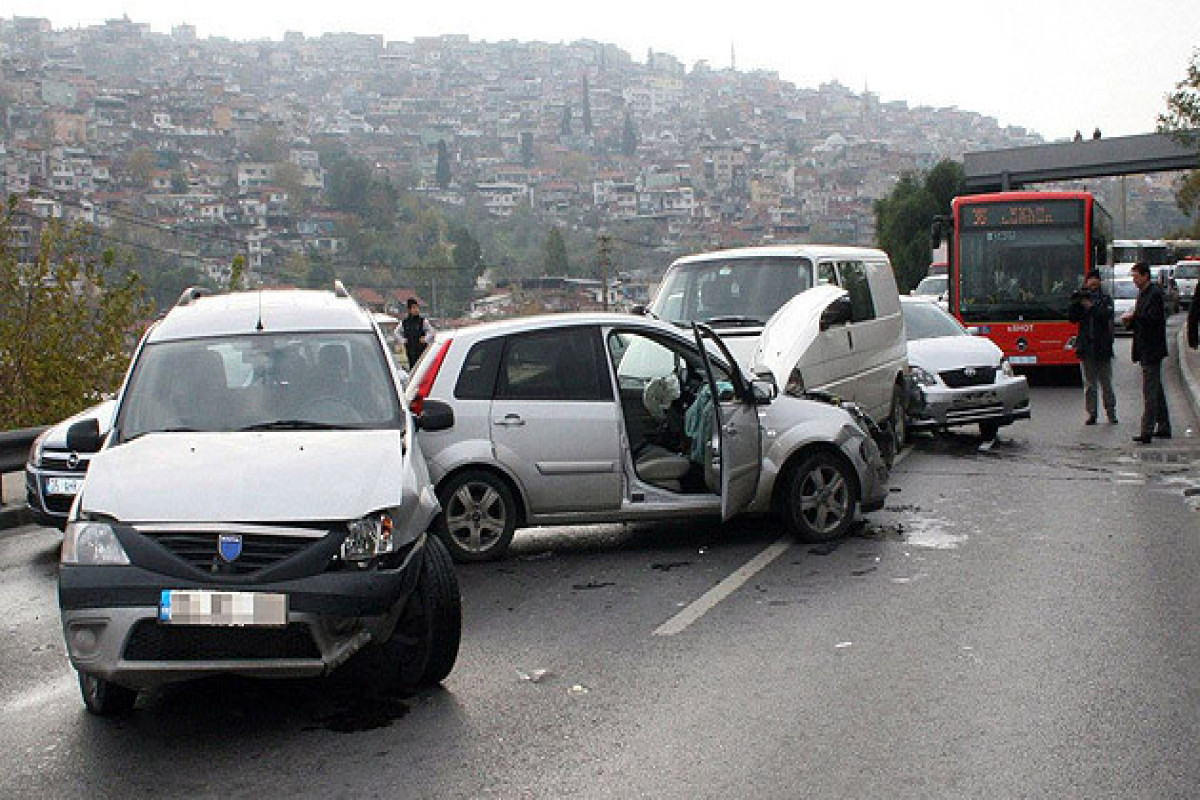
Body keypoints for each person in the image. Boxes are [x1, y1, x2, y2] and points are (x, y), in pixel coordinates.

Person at [1122, 262, 1170, 443]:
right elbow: (1143, 319)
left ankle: (1147, 430)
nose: (1134, 281)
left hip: (1152, 348)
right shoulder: (1143, 293)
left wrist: (1134, 317)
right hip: (1145, 348)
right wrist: (1132, 322)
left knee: (1149, 391)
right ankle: (1164, 425)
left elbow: (1152, 319)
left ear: (1145, 276)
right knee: (1156, 389)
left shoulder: (1154, 294)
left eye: (1135, 277)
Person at [1067, 270, 1116, 424]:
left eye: (1095, 280)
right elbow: (1072, 318)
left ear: (1099, 282)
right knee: (1089, 384)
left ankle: (1111, 412)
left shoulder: (1105, 298)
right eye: (1090, 281)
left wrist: (1091, 307)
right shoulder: (1082, 299)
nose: (1092, 283)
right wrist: (1076, 302)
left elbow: (1106, 315)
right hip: (1086, 347)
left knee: (1106, 382)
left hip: (1102, 347)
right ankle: (1092, 414)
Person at [400, 297, 433, 368]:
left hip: (421, 349)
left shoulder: (422, 321)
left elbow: (431, 331)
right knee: (412, 367)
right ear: (409, 310)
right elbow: (396, 332)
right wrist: (403, 340)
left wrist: (426, 339)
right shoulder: (405, 322)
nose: (416, 310)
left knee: (422, 367)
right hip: (410, 350)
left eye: (417, 307)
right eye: (414, 308)